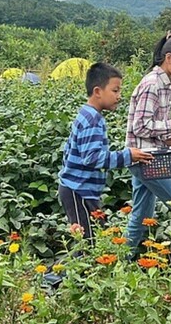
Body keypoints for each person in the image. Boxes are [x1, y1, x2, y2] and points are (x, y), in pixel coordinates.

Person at [124, 32, 171, 249]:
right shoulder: (152, 84)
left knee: (141, 216)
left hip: (150, 155)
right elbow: (141, 126)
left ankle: (118, 260)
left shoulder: (166, 83)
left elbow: (157, 124)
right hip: (145, 158)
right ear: (169, 58)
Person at [58, 62, 152, 239]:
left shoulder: (87, 114)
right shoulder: (92, 120)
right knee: (87, 243)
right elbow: (92, 158)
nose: (119, 96)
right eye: (115, 90)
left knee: (95, 239)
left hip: (80, 190)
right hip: (78, 191)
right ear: (97, 91)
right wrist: (127, 156)